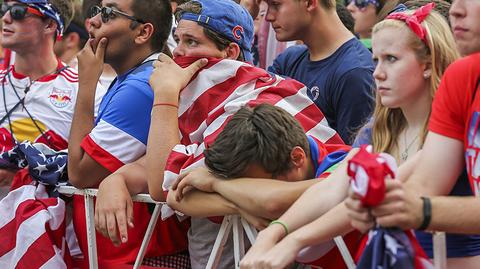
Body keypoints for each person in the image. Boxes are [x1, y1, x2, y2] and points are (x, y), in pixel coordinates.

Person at [94, 0, 344, 268]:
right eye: (178, 39)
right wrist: (116, 179)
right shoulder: (205, 107)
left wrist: (166, 96)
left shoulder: (256, 102)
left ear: (230, 52)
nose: (177, 53)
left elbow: (162, 184)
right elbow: (173, 179)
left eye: (191, 42)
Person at [241, 3, 462, 268]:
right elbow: (335, 184)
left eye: (391, 59)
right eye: (376, 60)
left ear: (428, 64)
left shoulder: (451, 128)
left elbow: (372, 200)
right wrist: (276, 231)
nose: (378, 73)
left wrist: (293, 239)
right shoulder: (379, 129)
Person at [67, 0, 190, 267]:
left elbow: (79, 173)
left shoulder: (141, 86)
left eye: (109, 13)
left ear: (143, 33)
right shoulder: (139, 75)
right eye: (97, 11)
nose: (94, 21)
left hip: (143, 258)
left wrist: (86, 84)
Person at [167, 103, 357, 268]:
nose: (248, 193)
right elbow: (176, 196)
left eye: (254, 185)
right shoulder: (266, 157)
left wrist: (216, 183)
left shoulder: (347, 166)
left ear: (297, 158)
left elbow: (272, 202)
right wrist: (238, 206)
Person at [266, 0, 375, 144]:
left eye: (275, 5)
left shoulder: (355, 73)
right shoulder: (287, 60)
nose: (269, 16)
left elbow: (350, 158)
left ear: (310, 3)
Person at [0, 0, 74, 185]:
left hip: (46, 212)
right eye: (4, 9)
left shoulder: (87, 91)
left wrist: (23, 176)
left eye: (17, 11)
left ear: (49, 24)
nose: (6, 18)